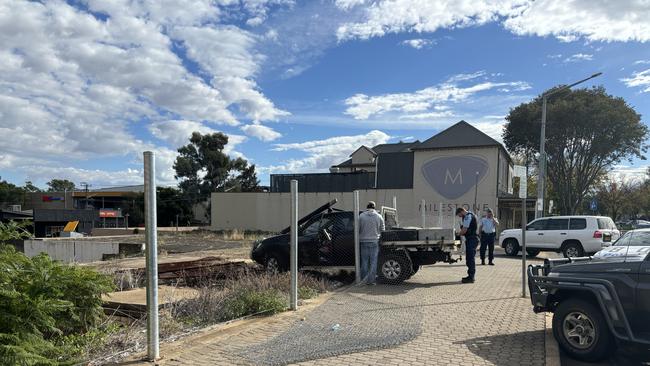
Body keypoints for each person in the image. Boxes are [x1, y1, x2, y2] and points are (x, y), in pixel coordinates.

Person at [358, 201, 385, 285]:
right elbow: (382, 229)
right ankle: (371, 281)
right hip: (374, 241)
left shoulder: (361, 216)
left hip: (363, 241)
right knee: (373, 262)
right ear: (374, 207)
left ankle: (364, 280)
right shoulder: (379, 216)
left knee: (365, 261)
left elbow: (357, 228)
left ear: (367, 207)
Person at [456, 207, 478, 283]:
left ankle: (471, 277)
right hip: (471, 239)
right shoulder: (471, 215)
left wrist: (458, 234)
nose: (460, 217)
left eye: (460, 215)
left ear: (461, 211)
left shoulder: (468, 217)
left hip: (472, 239)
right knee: (469, 258)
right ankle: (470, 276)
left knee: (470, 259)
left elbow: (465, 229)